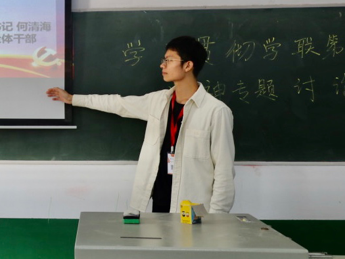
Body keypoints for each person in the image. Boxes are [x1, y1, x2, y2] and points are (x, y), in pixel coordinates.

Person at [46, 35, 235, 214]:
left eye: (169, 60)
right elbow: (118, 104)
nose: (162, 65)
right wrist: (73, 99)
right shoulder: (159, 101)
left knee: (190, 239)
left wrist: (217, 218)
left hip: (193, 205)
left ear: (188, 65)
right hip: (160, 199)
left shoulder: (216, 111)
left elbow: (224, 171)